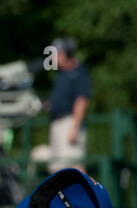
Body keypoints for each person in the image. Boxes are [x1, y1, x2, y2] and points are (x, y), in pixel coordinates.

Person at [46, 37, 91, 173]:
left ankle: (82, 195)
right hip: (57, 123)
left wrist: (74, 127)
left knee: (73, 167)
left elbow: (81, 101)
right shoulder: (61, 74)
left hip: (69, 123)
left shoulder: (79, 73)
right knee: (57, 168)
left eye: (58, 53)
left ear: (67, 54)